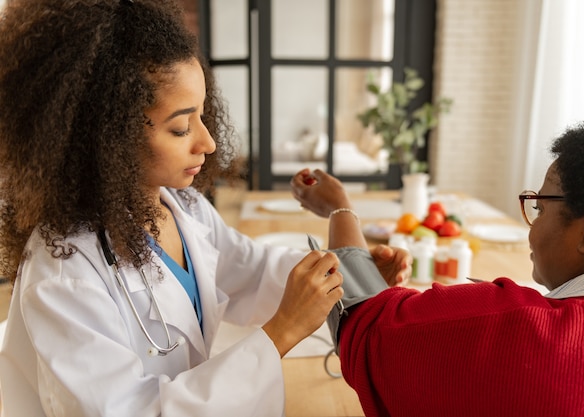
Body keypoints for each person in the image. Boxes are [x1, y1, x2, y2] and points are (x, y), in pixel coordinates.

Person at [0, 1, 412, 415]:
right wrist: (281, 332)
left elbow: (250, 271)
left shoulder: (182, 207)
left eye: (201, 115)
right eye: (180, 127)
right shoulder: (64, 273)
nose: (208, 142)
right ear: (105, 136)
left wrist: (351, 269)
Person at [291, 116, 584, 417]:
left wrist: (340, 208)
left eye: (538, 209)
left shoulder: (521, 328)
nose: (532, 226)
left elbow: (365, 328)